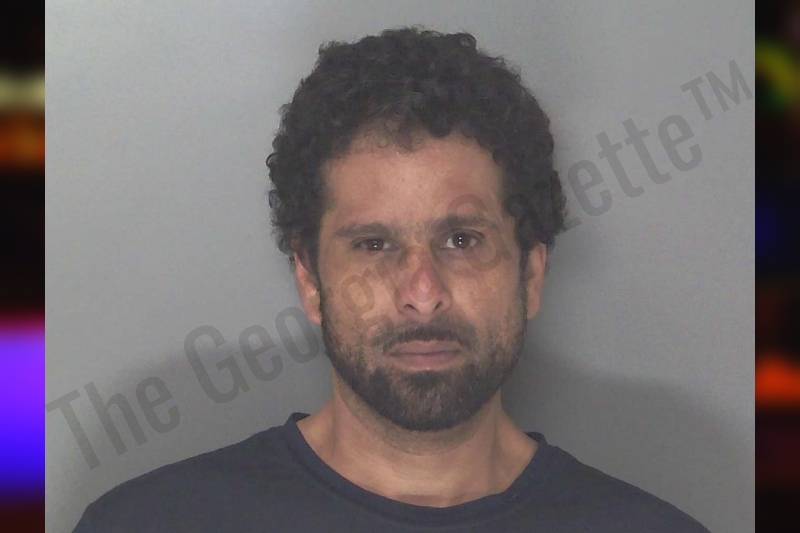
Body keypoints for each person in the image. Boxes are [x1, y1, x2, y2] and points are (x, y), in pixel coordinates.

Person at [72, 27, 709, 532]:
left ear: (532, 272)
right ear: (310, 281)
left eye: (462, 240)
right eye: (374, 245)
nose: (422, 293)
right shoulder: (147, 523)